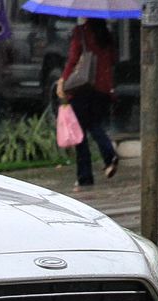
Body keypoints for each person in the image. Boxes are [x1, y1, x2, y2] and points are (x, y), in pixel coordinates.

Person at [57, 18, 118, 193]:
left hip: (83, 89)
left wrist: (63, 80)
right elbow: (112, 59)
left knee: (80, 134)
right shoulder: (106, 34)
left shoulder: (81, 32)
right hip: (103, 90)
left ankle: (85, 177)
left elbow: (73, 59)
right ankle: (109, 156)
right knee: (94, 124)